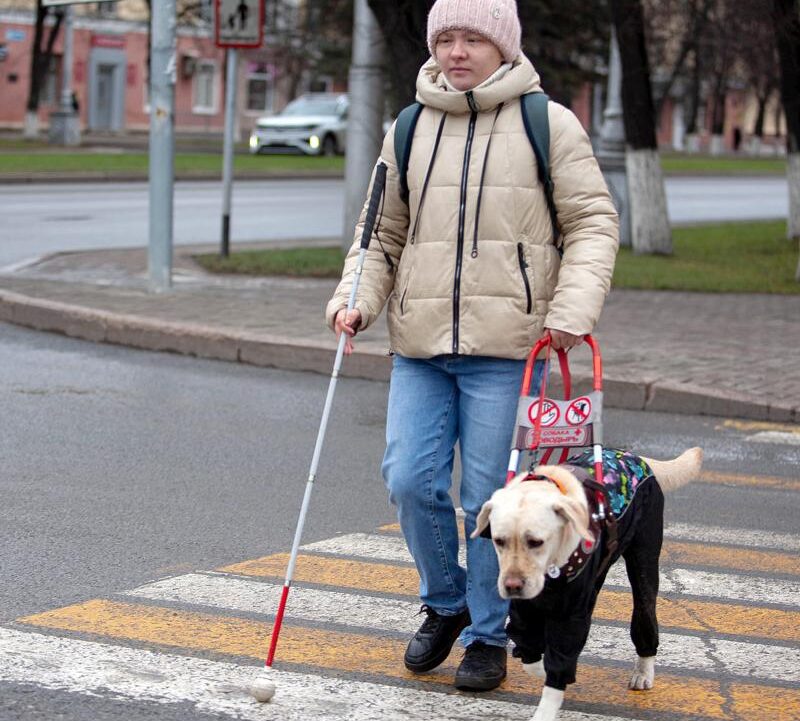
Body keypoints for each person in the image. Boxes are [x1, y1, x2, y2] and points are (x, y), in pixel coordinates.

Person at [326, 0, 618, 692]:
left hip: (511, 346)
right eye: (447, 38)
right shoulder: (410, 125)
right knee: (406, 477)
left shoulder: (547, 123)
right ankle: (449, 601)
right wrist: (355, 296)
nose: (458, 52)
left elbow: (593, 223)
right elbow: (380, 233)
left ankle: (491, 634)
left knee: (489, 500)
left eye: (473, 39)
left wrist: (572, 311)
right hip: (420, 343)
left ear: (503, 45)